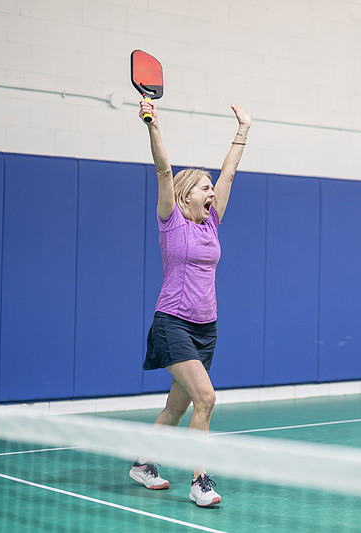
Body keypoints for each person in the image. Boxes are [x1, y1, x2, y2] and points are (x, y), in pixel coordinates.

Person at [128, 98, 251, 507]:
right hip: (173, 323)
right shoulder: (171, 221)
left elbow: (229, 172)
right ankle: (200, 481)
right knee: (207, 398)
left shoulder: (211, 222)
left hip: (206, 328)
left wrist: (243, 130)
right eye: (204, 187)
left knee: (176, 408)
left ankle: (143, 463)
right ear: (185, 195)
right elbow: (164, 170)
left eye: (211, 188)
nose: (212, 191)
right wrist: (152, 124)